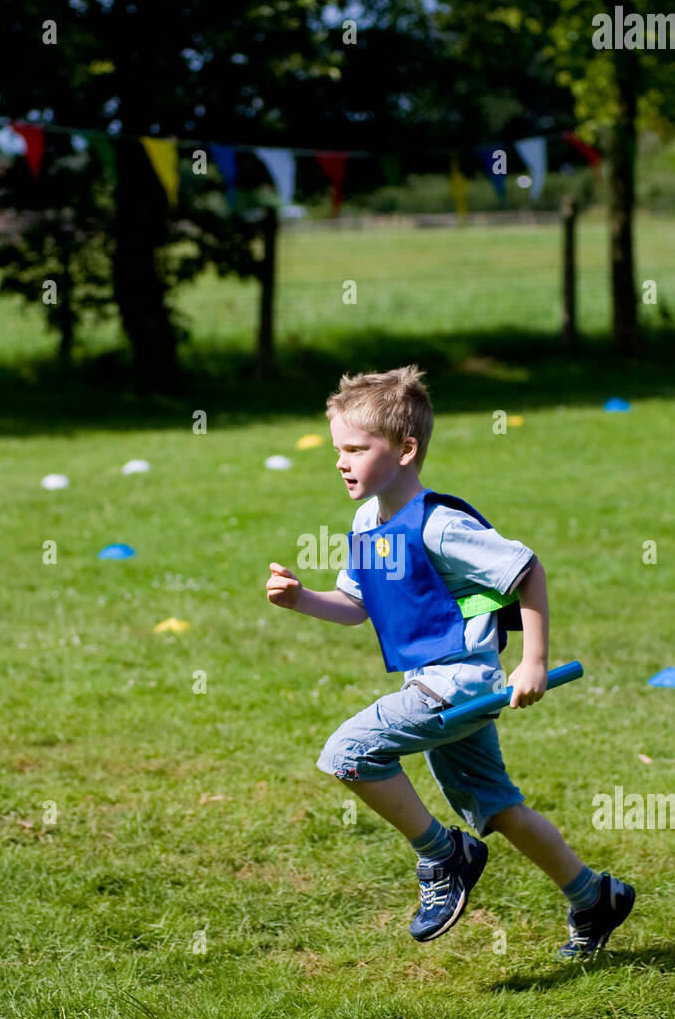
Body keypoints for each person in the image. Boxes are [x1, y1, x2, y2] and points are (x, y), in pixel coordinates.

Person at [265, 365, 634, 957]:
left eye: (357, 449)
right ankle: (594, 896)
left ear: (406, 449)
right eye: (338, 450)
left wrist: (533, 660)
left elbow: (526, 569)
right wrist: (301, 599)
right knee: (499, 809)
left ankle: (444, 855)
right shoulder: (366, 521)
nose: (341, 462)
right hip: (433, 683)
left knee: (348, 753)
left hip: (460, 685)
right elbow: (356, 606)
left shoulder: (439, 524)